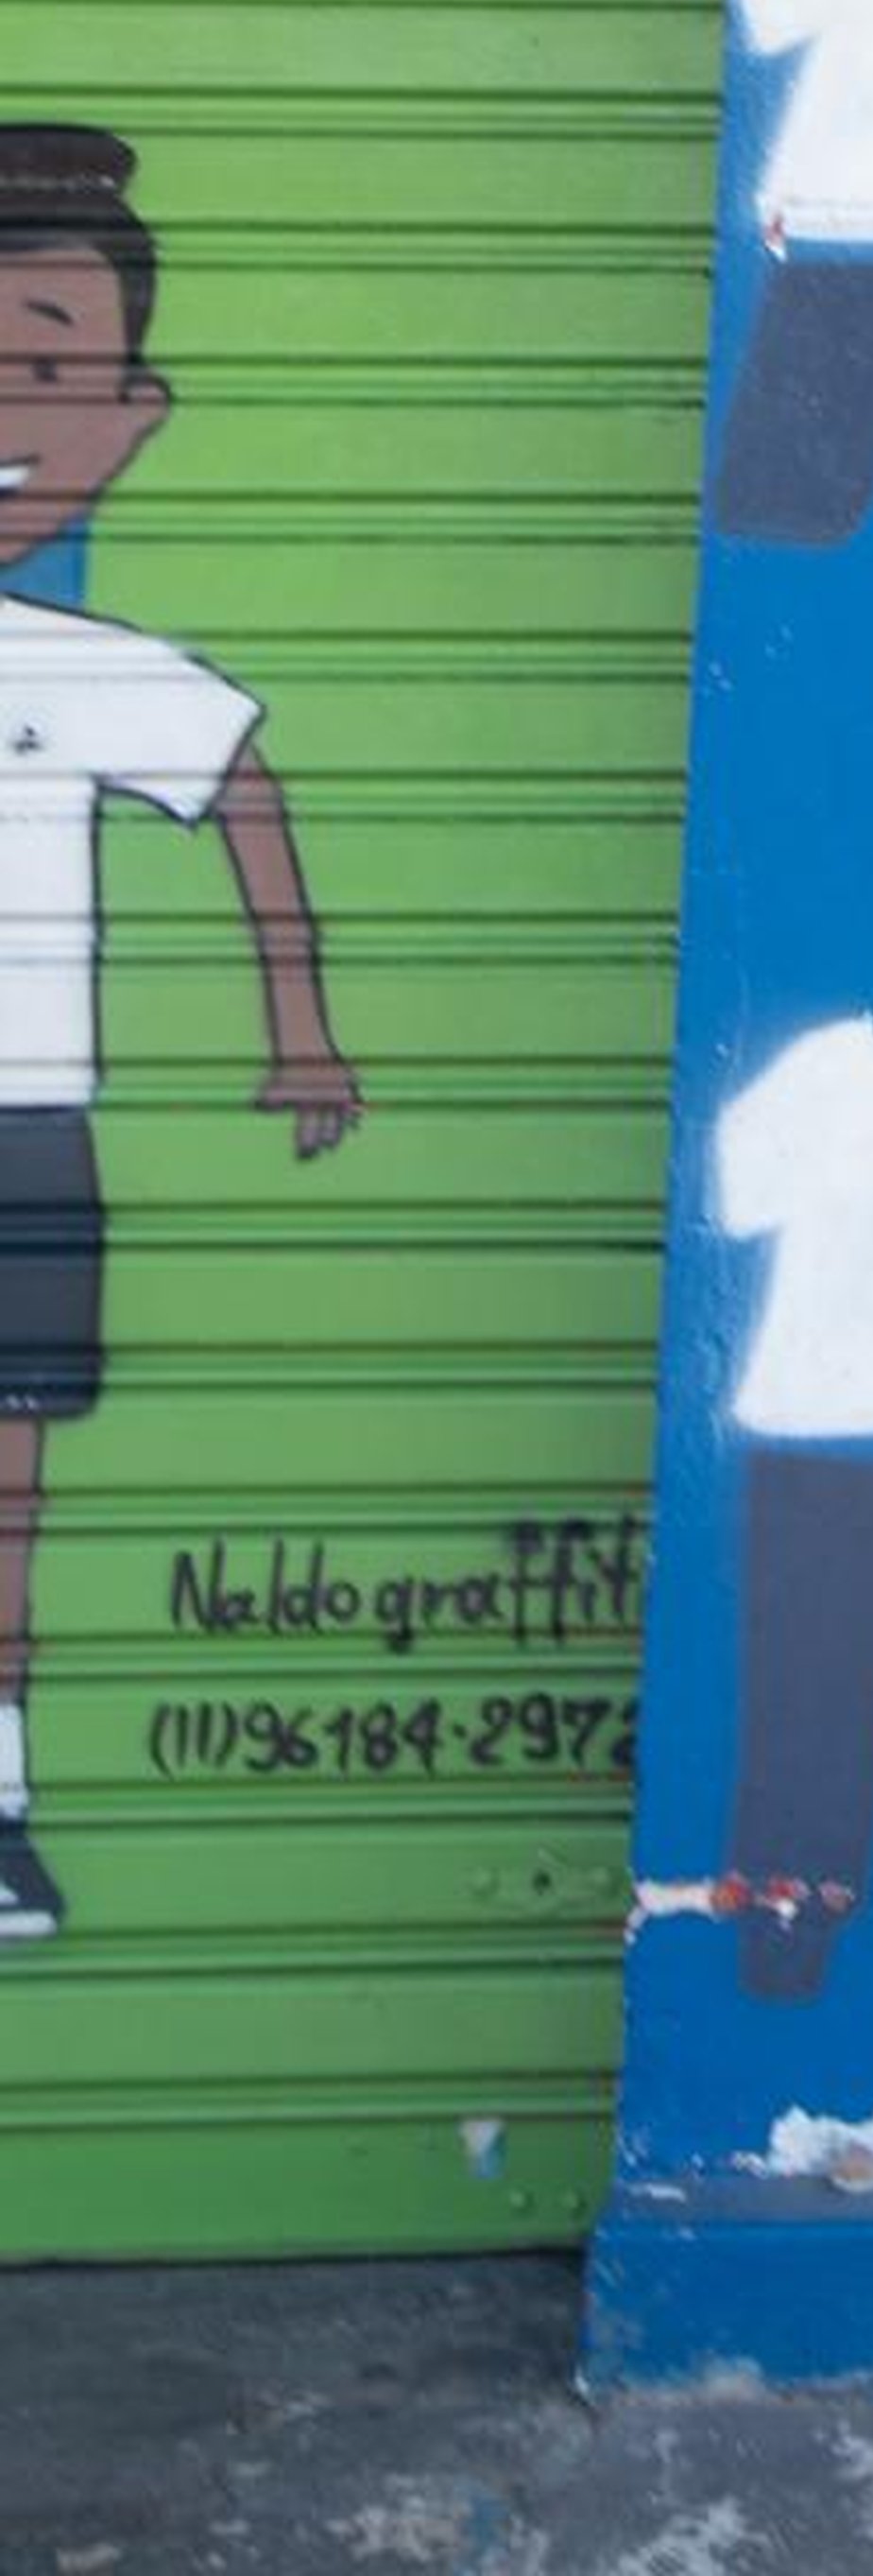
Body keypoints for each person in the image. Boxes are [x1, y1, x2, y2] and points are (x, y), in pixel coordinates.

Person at [0, 128, 359, 1945]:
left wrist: (300, 1029)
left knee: (8, 1484)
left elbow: (243, 794)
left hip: (25, 1122)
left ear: (128, 418)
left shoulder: (81, 669)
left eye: (47, 366)